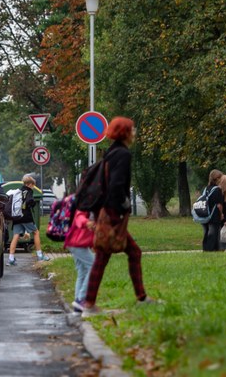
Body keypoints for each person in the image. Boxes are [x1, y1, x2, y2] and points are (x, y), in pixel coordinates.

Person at [81, 117, 157, 316]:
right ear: (125, 132)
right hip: (113, 213)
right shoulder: (123, 154)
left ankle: (90, 304)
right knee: (130, 253)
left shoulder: (110, 153)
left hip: (104, 211)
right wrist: (124, 207)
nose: (135, 132)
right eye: (132, 129)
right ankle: (139, 298)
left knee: (104, 256)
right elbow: (115, 186)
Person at [7, 174, 50, 266]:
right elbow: (29, 201)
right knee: (36, 232)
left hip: (17, 216)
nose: (33, 187)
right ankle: (39, 255)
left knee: (15, 236)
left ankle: (11, 258)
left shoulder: (18, 190)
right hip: (26, 216)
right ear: (29, 184)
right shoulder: (29, 191)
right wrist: (33, 203)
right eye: (33, 185)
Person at [64, 203, 95, 313]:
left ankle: (78, 305)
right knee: (94, 267)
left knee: (82, 272)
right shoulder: (85, 205)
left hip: (77, 243)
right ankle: (81, 299)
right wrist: (87, 223)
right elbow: (79, 218)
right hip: (77, 243)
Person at [201, 170, 226, 252]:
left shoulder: (206, 189)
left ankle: (205, 248)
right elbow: (219, 205)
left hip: (204, 213)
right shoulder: (217, 190)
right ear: (217, 178)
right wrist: (221, 214)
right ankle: (212, 249)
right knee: (213, 233)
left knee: (206, 232)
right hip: (214, 215)